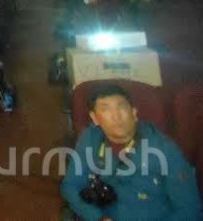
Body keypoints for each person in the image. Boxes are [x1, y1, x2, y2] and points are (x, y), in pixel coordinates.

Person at [61, 83, 201, 220]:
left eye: (121, 107)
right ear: (95, 118)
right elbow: (70, 186)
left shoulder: (164, 149)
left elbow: (190, 210)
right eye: (105, 109)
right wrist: (97, 217)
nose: (116, 116)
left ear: (134, 112)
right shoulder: (90, 138)